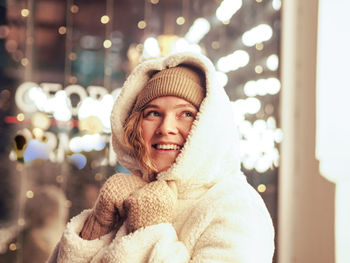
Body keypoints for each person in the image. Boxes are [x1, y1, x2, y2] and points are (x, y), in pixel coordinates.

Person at [48, 52, 275, 262]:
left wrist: (150, 229)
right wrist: (97, 226)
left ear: (208, 125)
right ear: (135, 125)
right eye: (153, 113)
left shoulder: (236, 207)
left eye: (186, 114)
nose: (166, 128)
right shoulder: (128, 194)